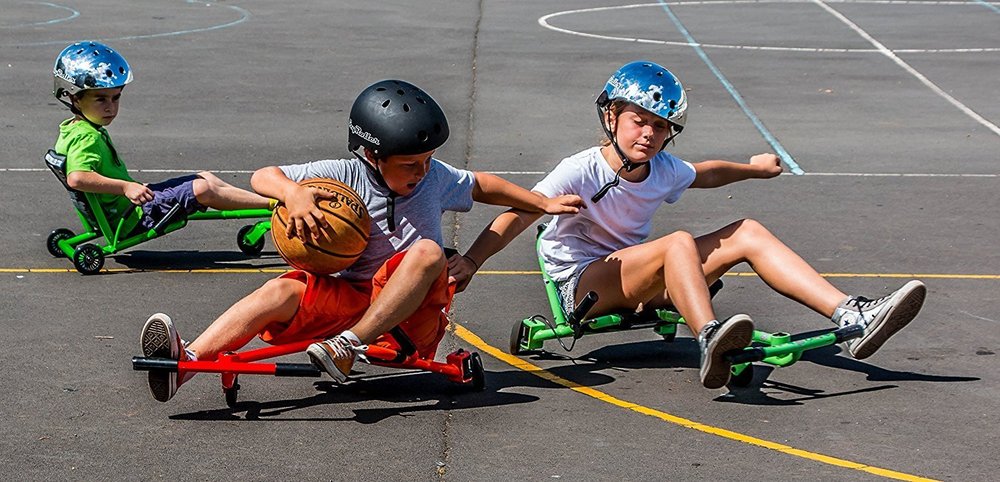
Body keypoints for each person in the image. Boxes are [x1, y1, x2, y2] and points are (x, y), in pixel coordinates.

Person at [448, 61, 927, 389]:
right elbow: (520, 212)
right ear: (612, 115)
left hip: (646, 279)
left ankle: (851, 315)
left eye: (661, 127)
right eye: (640, 121)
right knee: (677, 241)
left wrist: (754, 169)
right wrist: (471, 260)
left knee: (748, 230)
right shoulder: (580, 169)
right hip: (583, 286)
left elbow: (707, 172)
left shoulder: (663, 169)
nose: (650, 134)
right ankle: (709, 338)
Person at [139, 79, 584, 402]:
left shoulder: (435, 178)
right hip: (350, 299)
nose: (424, 170)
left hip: (410, 321)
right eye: (411, 163)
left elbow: (483, 185)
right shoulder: (344, 175)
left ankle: (349, 347)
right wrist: (293, 194)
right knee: (280, 287)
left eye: (428, 160)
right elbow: (263, 176)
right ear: (371, 154)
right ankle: (185, 362)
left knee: (428, 251)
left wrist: (534, 207)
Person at [52, 41, 271, 236]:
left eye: (116, 98)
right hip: (131, 217)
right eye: (101, 100)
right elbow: (77, 178)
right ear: (74, 98)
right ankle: (275, 205)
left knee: (205, 177)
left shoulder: (74, 129)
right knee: (202, 189)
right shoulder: (86, 138)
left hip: (129, 206)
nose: (111, 107)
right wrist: (125, 188)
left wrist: (130, 187)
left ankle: (268, 204)